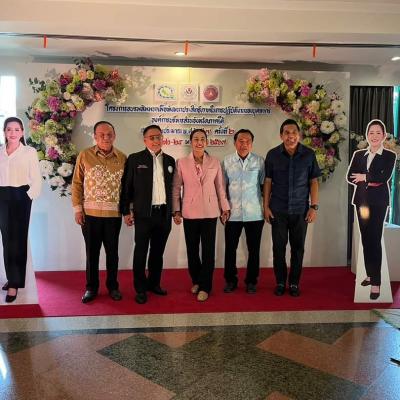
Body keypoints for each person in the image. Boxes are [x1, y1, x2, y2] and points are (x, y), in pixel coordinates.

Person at [264, 119, 321, 297]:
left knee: (298, 249)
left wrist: (314, 207)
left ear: (299, 134)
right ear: (281, 135)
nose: (291, 136)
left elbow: (314, 182)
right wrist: (265, 206)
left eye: (294, 132)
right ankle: (280, 282)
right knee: (278, 249)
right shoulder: (272, 155)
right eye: (287, 133)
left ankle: (294, 283)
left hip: (300, 211)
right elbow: (268, 182)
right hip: (278, 210)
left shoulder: (309, 154)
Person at [72, 121, 126, 304]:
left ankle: (113, 287)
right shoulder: (84, 155)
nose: (105, 137)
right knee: (92, 254)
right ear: (95, 136)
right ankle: (91, 288)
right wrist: (77, 209)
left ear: (114, 136)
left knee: (112, 254)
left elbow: (127, 188)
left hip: (113, 216)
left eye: (109, 134)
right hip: (90, 216)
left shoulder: (122, 158)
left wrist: (128, 211)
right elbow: (77, 183)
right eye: (101, 134)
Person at [173, 128, 230, 302]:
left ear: (207, 142)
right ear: (191, 142)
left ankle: (206, 286)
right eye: (196, 139)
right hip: (189, 212)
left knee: (208, 251)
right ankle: (197, 281)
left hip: (210, 212)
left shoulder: (215, 162)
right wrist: (176, 210)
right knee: (192, 251)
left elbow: (220, 187)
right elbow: (176, 188)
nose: (199, 142)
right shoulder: (181, 162)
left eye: (202, 139)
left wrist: (225, 208)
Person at [120, 125, 175, 305]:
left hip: (163, 214)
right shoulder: (135, 159)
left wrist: (175, 211)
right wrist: (126, 211)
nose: (156, 140)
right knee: (141, 252)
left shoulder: (170, 161)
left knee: (157, 253)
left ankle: (154, 284)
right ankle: (140, 289)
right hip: (143, 215)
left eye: (158, 137)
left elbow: (174, 189)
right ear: (145, 140)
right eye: (152, 137)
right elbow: (127, 187)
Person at [347, 119, 396, 300]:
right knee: (366, 239)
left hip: (378, 202)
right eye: (371, 133)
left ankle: (376, 283)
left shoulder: (390, 155)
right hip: (362, 201)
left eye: (378, 133)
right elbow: (350, 176)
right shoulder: (359, 154)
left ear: (383, 136)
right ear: (367, 135)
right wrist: (369, 178)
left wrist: (364, 177)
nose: (374, 136)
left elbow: (384, 177)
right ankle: (370, 274)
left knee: (374, 239)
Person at [0, 116, 41, 303]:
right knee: (6, 240)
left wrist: (28, 196)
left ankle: (15, 284)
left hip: (20, 197)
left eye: (17, 129)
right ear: (4, 132)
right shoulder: (0, 152)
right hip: (2, 197)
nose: (13, 133)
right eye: (9, 129)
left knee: (17, 241)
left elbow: (36, 179)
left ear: (22, 132)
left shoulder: (29, 152)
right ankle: (11, 277)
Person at [222, 129, 265, 294]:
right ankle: (230, 280)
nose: (244, 144)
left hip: (254, 213)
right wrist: (224, 208)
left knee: (254, 249)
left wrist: (266, 207)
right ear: (235, 143)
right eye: (241, 141)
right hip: (232, 213)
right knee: (230, 249)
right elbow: (222, 188)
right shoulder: (227, 161)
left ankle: (252, 281)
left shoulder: (259, 161)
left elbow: (264, 186)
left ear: (252, 144)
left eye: (248, 141)